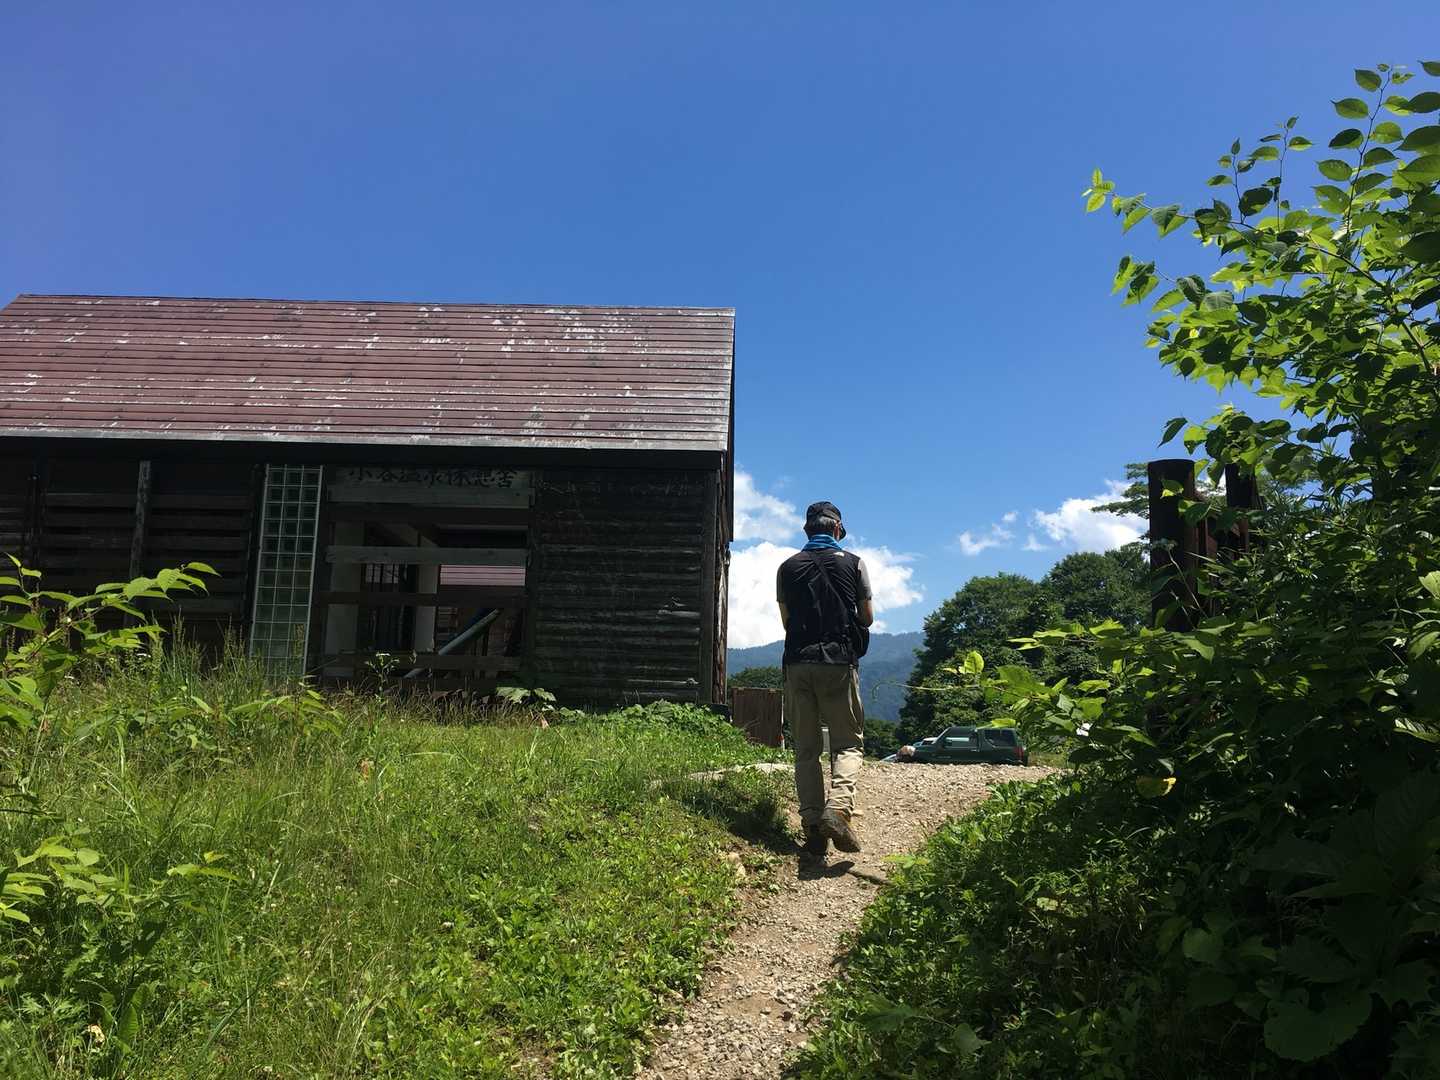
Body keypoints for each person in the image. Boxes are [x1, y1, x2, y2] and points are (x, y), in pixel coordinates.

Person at [776, 501, 874, 857]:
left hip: (798, 663)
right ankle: (838, 808)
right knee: (847, 745)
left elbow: (786, 621)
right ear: (836, 529)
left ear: (807, 530)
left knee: (806, 749)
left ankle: (813, 827)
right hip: (838, 662)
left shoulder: (786, 567)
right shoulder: (854, 563)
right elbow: (867, 616)